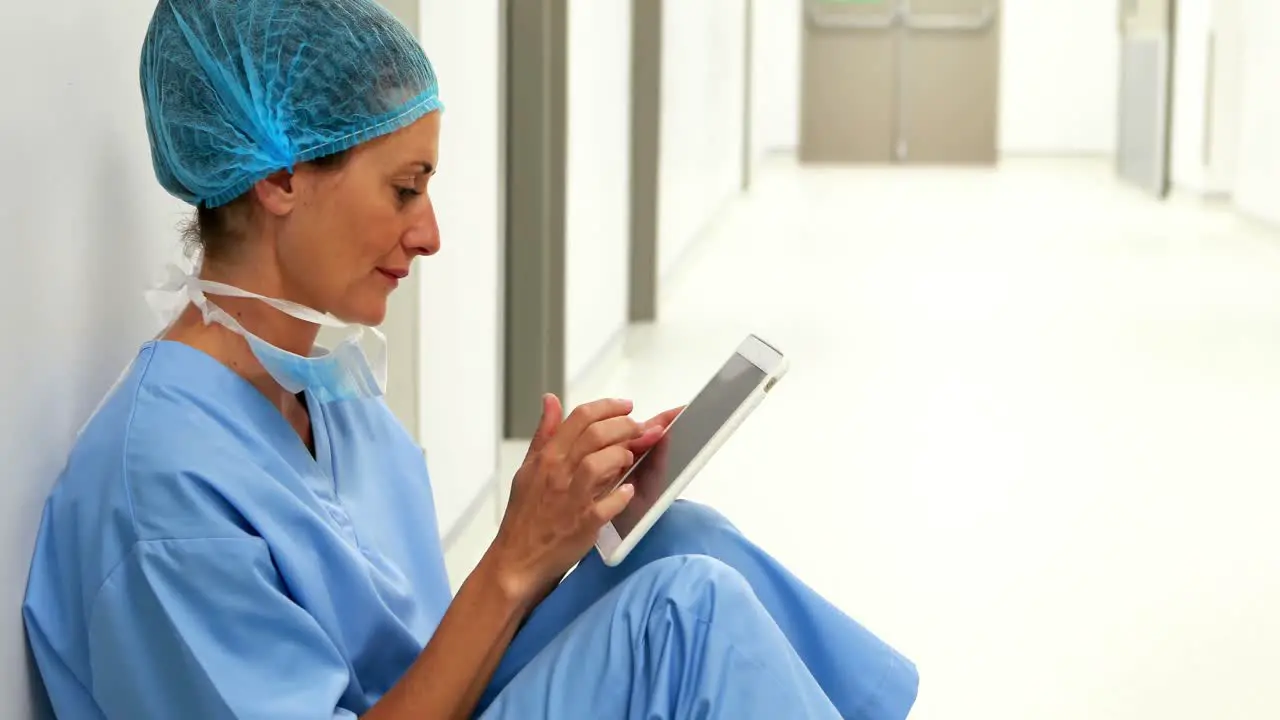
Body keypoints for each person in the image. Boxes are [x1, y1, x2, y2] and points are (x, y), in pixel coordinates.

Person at [22, 1, 919, 718]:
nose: (431, 234)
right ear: (281, 178)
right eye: (404, 189)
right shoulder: (163, 492)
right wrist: (512, 561)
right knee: (682, 616)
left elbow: (423, 662)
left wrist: (552, 526)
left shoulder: (328, 396)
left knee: (682, 542)